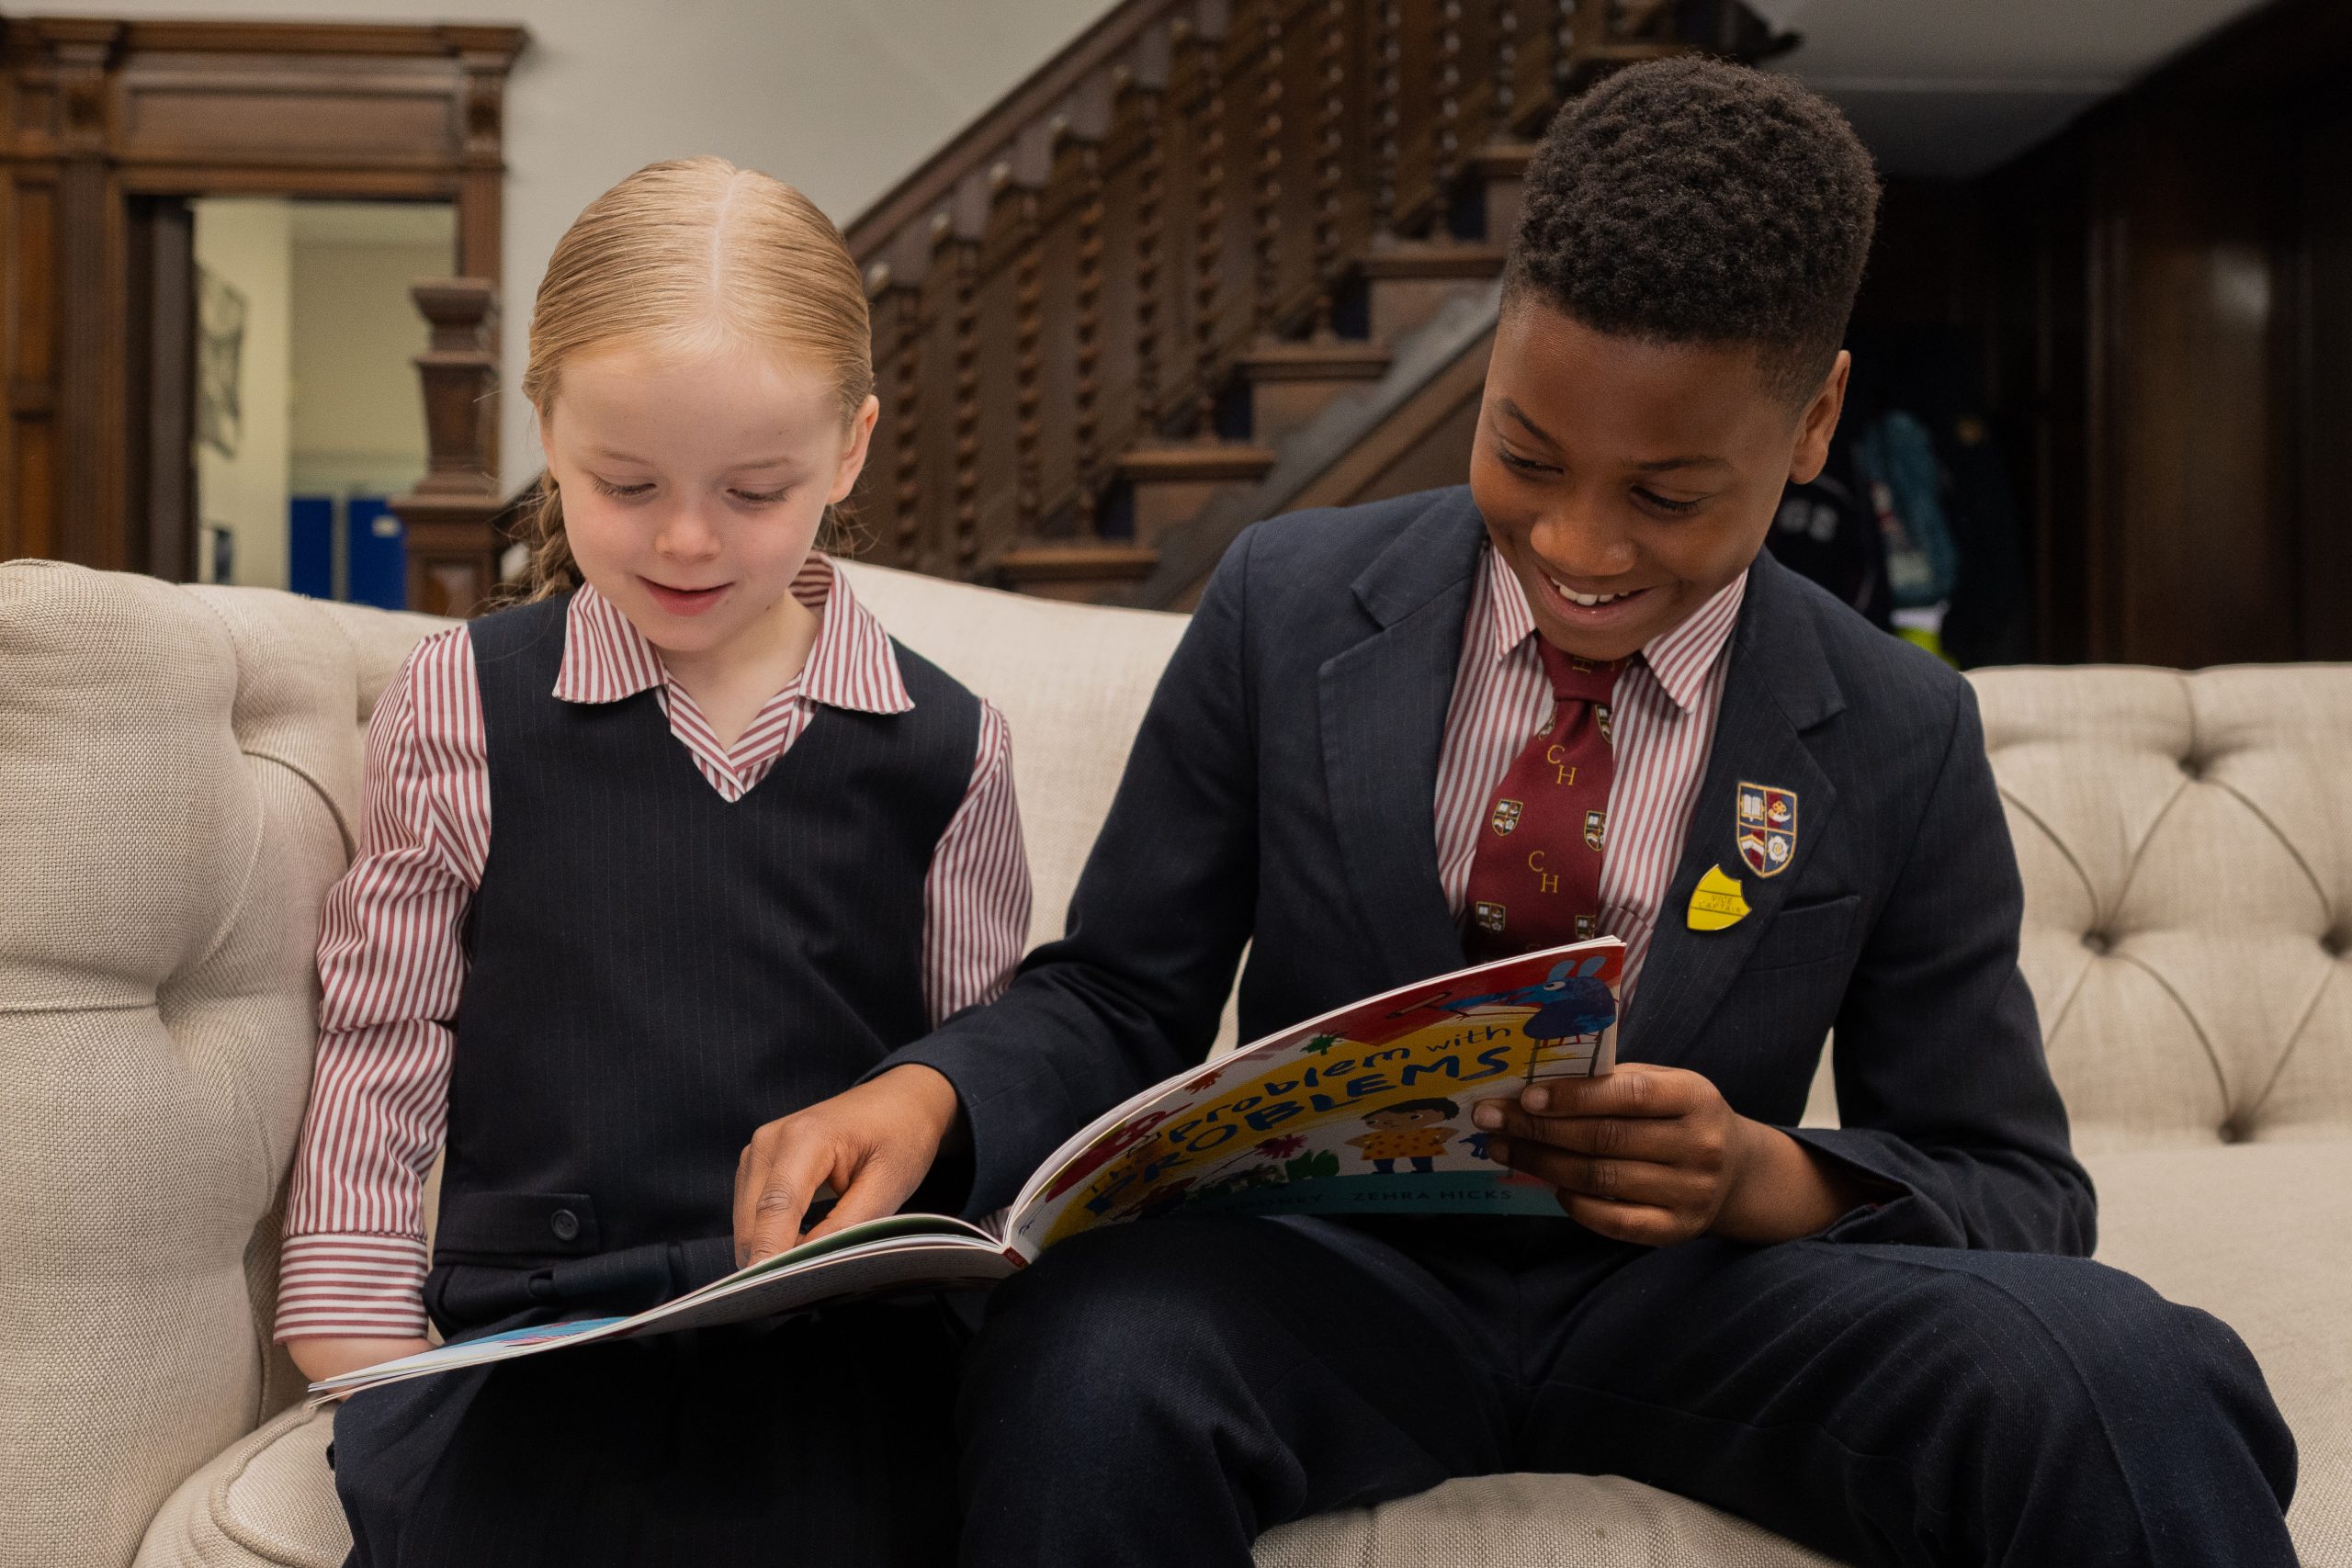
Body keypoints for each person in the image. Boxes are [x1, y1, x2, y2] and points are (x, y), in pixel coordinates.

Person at [733, 60, 2300, 1568]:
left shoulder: (1900, 724)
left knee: (2140, 1374)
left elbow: (2015, 1183)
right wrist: (931, 1098)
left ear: (1816, 423)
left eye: (1669, 495)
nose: (1577, 542)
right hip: (1325, 1284)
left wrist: (1763, 1175)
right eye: (1524, 451)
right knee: (1084, 1360)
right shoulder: (1286, 602)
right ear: (1495, 351)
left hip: (1707, 1308)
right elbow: (1126, 990)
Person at [275, 156, 1029, 1566]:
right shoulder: (463, 698)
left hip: (827, 1338)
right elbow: (385, 1034)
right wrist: (358, 1334)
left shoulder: (949, 748)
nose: (687, 539)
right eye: (626, 484)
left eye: (755, 492)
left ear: (851, 450)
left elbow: (974, 1068)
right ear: (546, 428)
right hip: (533, 1331)